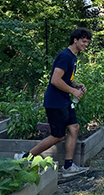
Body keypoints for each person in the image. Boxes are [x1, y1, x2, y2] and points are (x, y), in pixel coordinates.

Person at [15, 28, 92, 178]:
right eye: (84, 41)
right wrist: (73, 91)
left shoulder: (73, 57)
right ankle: (25, 157)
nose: (86, 45)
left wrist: (76, 85)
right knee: (58, 136)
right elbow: (55, 80)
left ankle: (68, 167)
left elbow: (65, 78)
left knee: (74, 128)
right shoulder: (65, 56)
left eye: (87, 42)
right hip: (55, 102)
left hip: (64, 101)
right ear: (75, 40)